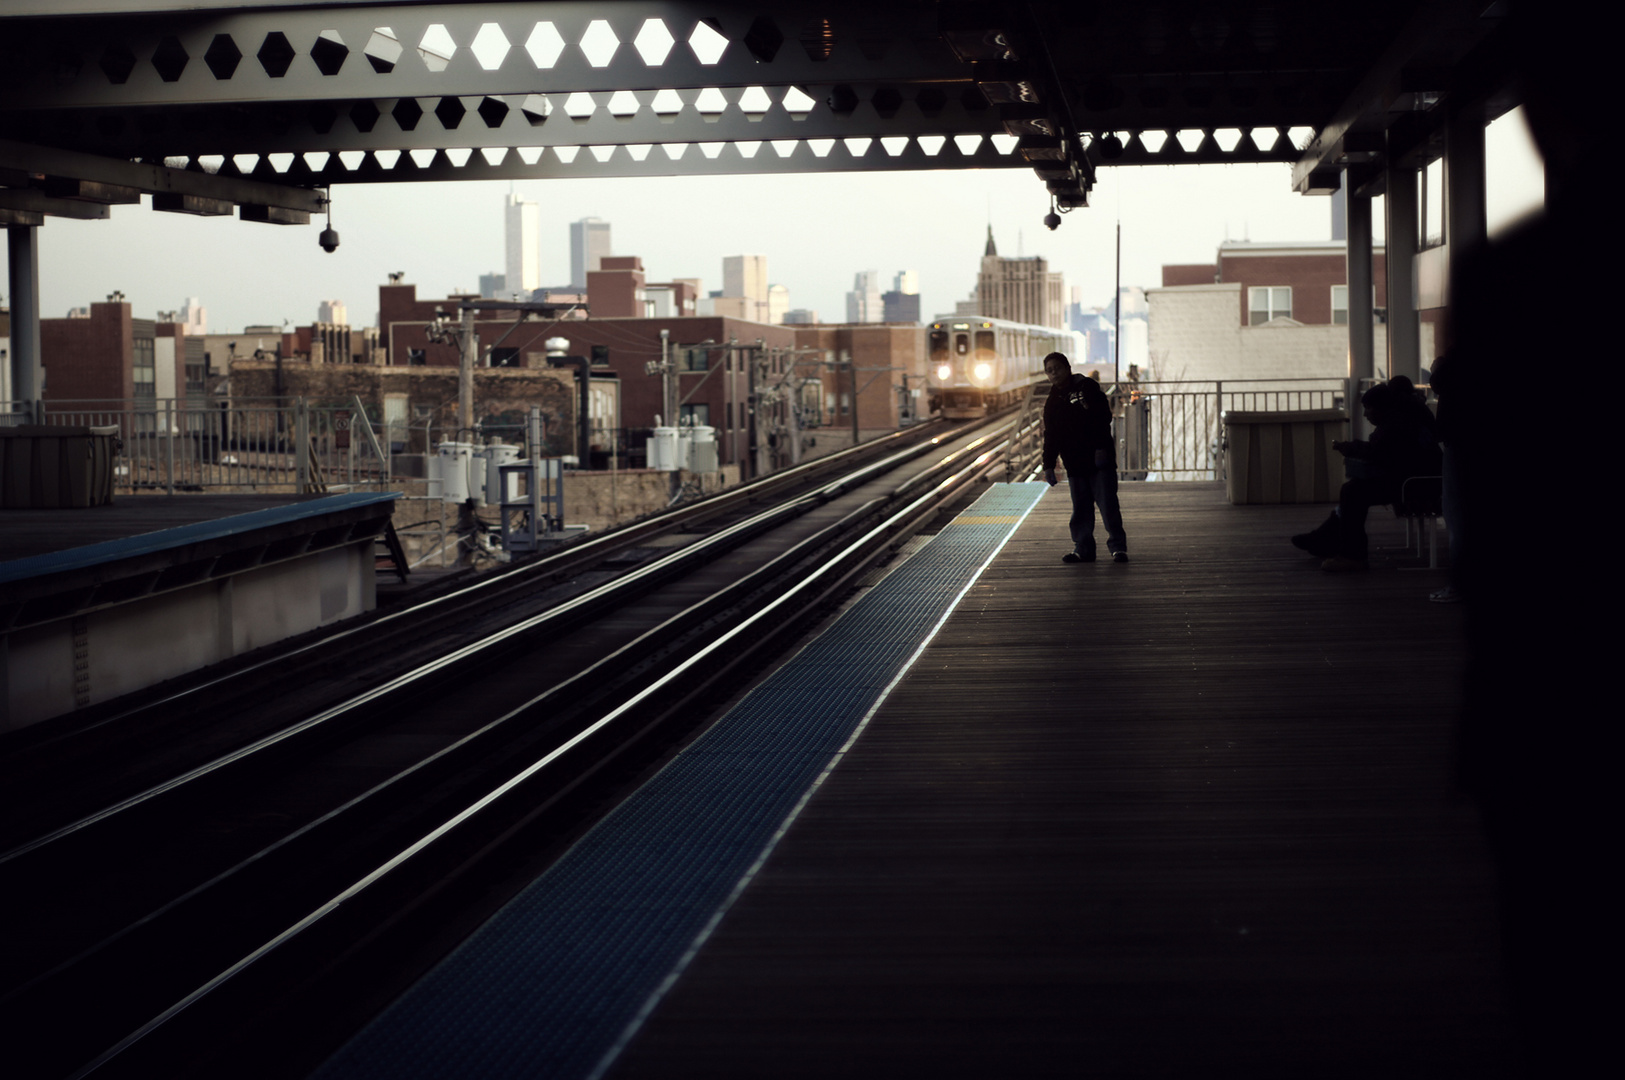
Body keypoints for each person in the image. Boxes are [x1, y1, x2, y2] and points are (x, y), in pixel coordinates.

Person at [1290, 380, 1441, 571]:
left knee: (1353, 492)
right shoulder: (1405, 415)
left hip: (1415, 485)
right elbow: (1383, 451)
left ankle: (1351, 555)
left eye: (1368, 408)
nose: (1365, 414)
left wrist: (1350, 448)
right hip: (1416, 480)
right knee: (1354, 490)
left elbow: (1377, 452)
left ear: (1381, 408)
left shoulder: (1396, 422)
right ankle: (1326, 541)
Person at [1041, 352, 1127, 563]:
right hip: (1074, 462)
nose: (1054, 374)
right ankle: (1083, 548)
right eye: (1049, 371)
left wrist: (1100, 447)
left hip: (1099, 458)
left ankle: (1118, 547)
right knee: (1080, 507)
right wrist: (1048, 464)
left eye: (1057, 368)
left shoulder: (1087, 387)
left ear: (1068, 368)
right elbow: (1050, 435)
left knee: (1107, 504)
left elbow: (1103, 418)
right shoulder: (1052, 402)